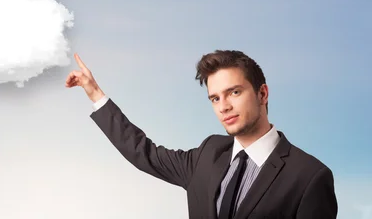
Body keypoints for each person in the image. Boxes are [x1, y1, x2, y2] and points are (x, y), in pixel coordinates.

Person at [65, 50, 338, 219]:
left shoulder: (310, 177)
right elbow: (143, 152)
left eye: (234, 92)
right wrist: (95, 93)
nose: (224, 107)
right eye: (214, 98)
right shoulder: (209, 154)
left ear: (262, 93)